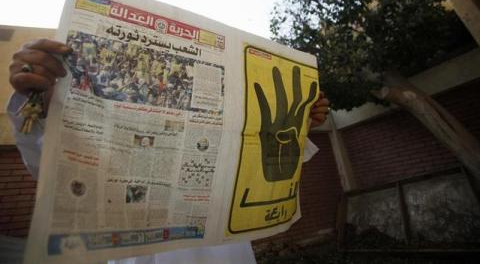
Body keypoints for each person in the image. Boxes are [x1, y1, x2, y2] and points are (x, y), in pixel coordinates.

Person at [7, 38, 330, 264]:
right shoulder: (106, 140)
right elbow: (49, 166)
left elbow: (256, 167)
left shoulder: (217, 135)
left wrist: (299, 125)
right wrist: (37, 100)